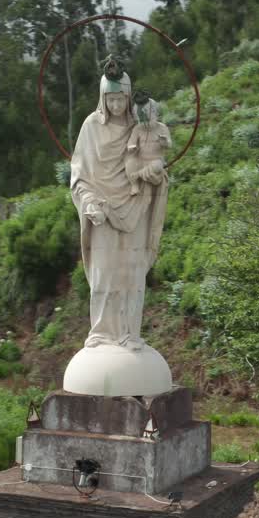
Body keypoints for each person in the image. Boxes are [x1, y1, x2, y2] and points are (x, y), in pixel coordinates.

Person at [69, 70, 170, 351]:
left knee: (132, 273)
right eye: (110, 100)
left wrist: (155, 174)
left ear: (129, 98)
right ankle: (101, 332)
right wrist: (88, 201)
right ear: (102, 99)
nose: (115, 106)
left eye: (120, 99)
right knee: (104, 274)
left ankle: (129, 333)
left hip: (136, 204)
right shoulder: (91, 126)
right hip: (102, 208)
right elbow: (79, 174)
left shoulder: (138, 127)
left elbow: (155, 157)